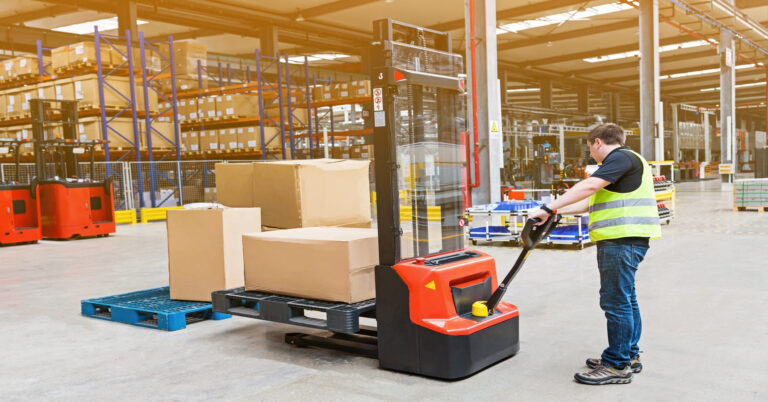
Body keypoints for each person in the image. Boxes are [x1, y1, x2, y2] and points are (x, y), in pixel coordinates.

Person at [528, 123, 661, 385]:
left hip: (621, 240)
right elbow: (591, 202)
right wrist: (555, 212)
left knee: (615, 301)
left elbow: (588, 188)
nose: (591, 155)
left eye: (590, 148)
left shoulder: (620, 157)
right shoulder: (627, 163)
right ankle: (628, 354)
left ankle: (616, 365)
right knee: (626, 298)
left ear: (598, 142)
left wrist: (547, 206)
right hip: (627, 239)